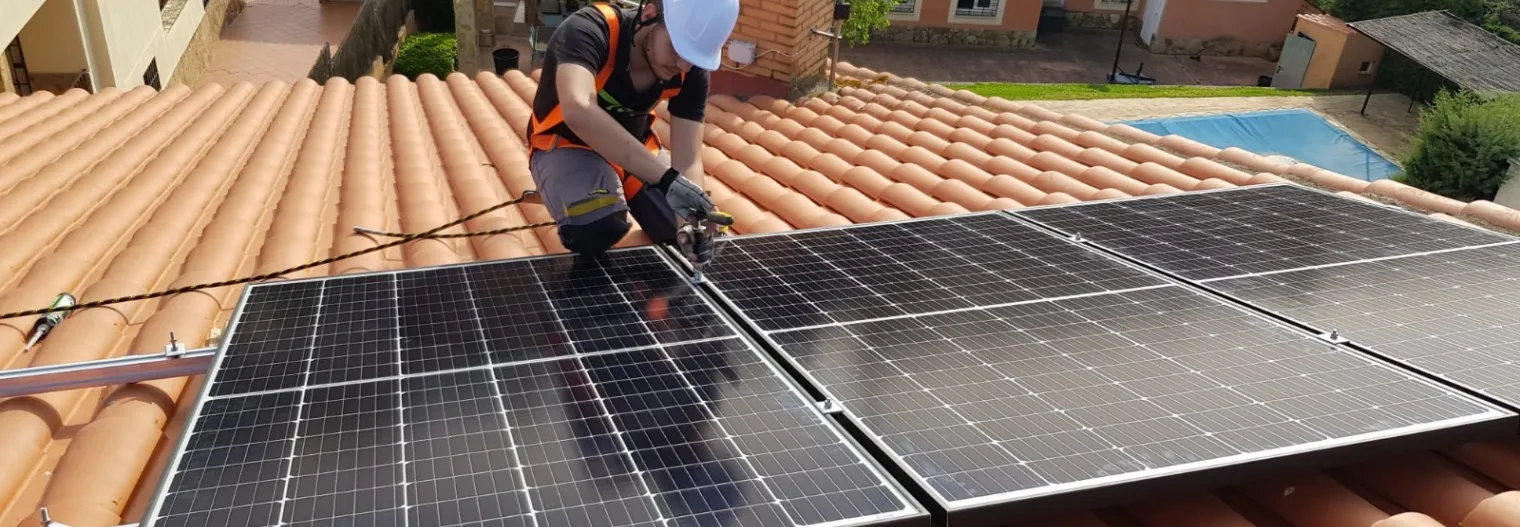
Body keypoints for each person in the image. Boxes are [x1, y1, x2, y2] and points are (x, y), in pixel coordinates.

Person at [526, 0, 738, 256]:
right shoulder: (589, 30)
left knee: (680, 231)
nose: (683, 67)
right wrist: (667, 180)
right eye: (676, 48)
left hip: (635, 150)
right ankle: (570, 189)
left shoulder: (690, 69)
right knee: (597, 227)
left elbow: (689, 158)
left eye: (692, 58)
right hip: (567, 145)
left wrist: (692, 221)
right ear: (649, 14)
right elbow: (578, 109)